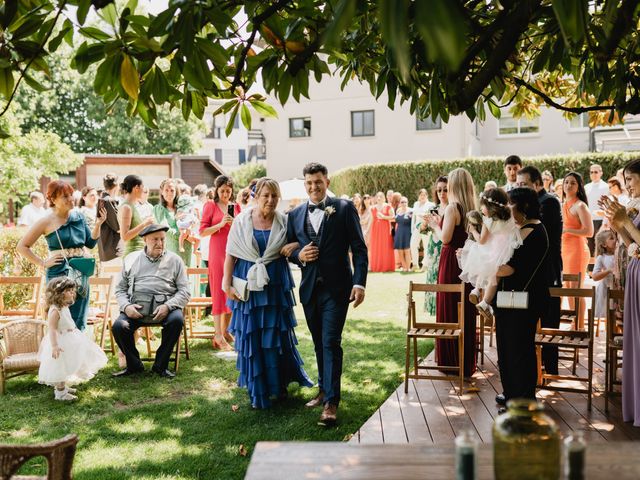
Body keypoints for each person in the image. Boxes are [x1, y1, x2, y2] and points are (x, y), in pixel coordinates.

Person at [286, 162, 368, 425]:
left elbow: (359, 248)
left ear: (327, 182)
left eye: (318, 182)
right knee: (319, 341)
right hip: (310, 289)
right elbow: (290, 248)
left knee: (331, 340)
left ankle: (332, 402)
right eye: (309, 183)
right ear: (305, 184)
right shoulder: (295, 214)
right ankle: (323, 390)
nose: (314, 187)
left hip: (337, 288)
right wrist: (299, 255)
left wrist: (360, 283)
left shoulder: (344, 208)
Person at [223, 178, 313, 408]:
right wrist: (226, 283)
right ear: (256, 197)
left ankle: (278, 385)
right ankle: (258, 391)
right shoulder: (242, 221)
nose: (271, 200)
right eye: (266, 196)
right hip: (248, 286)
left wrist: (293, 246)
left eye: (274, 196)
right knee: (252, 338)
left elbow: (300, 241)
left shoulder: (284, 221)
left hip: (275, 285)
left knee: (275, 338)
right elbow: (231, 254)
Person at [17, 181, 106, 330]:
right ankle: (58, 351)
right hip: (58, 274)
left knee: (79, 320)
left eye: (71, 195)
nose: (71, 199)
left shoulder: (79, 216)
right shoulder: (46, 221)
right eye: (65, 196)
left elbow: (90, 243)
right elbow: (22, 247)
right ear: (52, 200)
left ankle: (77, 352)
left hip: (80, 273)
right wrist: (43, 262)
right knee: (59, 319)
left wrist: (98, 224)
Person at [111, 224, 191, 378]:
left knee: (176, 320)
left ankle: (160, 366)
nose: (159, 243)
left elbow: (185, 291)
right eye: (155, 239)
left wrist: (168, 306)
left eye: (162, 239)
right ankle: (134, 365)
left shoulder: (175, 260)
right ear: (145, 240)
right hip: (136, 309)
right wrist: (126, 307)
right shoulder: (131, 259)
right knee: (119, 326)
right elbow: (120, 289)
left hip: (165, 308)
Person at [494, 188, 550, 405]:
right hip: (509, 300)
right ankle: (510, 393)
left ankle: (523, 398)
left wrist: (482, 264)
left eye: (510, 203)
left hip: (525, 301)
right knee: (506, 349)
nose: (507, 208)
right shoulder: (519, 229)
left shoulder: (535, 230)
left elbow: (509, 268)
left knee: (520, 350)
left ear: (524, 206)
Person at [427, 168, 477, 378]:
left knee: (448, 304)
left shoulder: (452, 208)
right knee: (465, 308)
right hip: (467, 261)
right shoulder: (472, 207)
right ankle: (465, 361)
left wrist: (433, 226)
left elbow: (445, 239)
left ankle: (450, 361)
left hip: (450, 262)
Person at [601, 159, 640, 426]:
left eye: (631, 180)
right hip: (636, 271)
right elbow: (632, 244)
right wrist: (619, 226)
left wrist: (627, 220)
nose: (627, 185)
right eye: (625, 180)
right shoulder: (635, 206)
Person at [516, 165, 563, 376]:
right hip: (531, 273)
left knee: (549, 321)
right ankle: (534, 370)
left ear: (537, 184)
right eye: (517, 185)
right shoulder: (523, 207)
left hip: (548, 270)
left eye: (523, 184)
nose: (520, 189)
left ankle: (550, 369)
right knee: (527, 327)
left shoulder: (549, 202)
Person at [38, 277, 108, 401]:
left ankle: (63, 387)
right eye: (70, 290)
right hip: (60, 342)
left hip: (70, 338)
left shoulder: (64, 307)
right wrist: (54, 346)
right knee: (60, 366)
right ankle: (60, 393)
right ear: (59, 293)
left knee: (68, 364)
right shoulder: (55, 310)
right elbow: (52, 329)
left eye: (73, 290)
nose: (73, 293)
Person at [458, 187, 522, 320]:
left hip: (491, 250)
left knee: (481, 261)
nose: (481, 209)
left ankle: (476, 290)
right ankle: (485, 302)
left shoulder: (488, 221)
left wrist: (473, 231)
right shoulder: (510, 215)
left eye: (482, 206)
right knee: (494, 277)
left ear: (489, 206)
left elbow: (482, 241)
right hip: (506, 252)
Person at [200, 175, 241, 351]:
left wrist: (233, 224)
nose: (225, 193)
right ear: (216, 190)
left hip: (234, 252)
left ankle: (225, 331)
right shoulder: (210, 206)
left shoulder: (235, 207)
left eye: (228, 190)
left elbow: (241, 230)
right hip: (217, 253)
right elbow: (202, 231)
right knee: (218, 290)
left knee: (233, 289)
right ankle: (217, 335)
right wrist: (220, 224)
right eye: (222, 190)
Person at [562, 172, 593, 329]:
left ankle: (579, 326)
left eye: (572, 183)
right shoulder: (563, 204)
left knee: (576, 289)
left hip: (577, 250)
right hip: (564, 249)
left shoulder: (581, 205)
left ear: (579, 186)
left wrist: (567, 230)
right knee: (567, 287)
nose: (568, 185)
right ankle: (575, 323)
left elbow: (589, 232)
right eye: (566, 182)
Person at [419, 176, 448, 315]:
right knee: (433, 279)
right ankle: (436, 312)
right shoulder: (433, 209)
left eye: (445, 190)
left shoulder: (452, 209)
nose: (442, 193)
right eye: (439, 190)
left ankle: (444, 310)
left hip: (445, 248)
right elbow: (422, 230)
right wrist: (425, 223)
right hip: (433, 248)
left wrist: (439, 221)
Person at [154, 178, 192, 266]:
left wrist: (190, 235)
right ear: (162, 192)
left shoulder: (182, 207)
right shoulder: (159, 208)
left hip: (187, 247)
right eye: (166, 190)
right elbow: (165, 228)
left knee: (187, 277)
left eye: (172, 190)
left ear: (176, 192)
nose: (169, 193)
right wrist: (183, 235)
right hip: (171, 250)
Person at [118, 175, 154, 259]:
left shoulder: (131, 206)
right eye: (142, 187)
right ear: (136, 188)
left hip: (139, 253)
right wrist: (144, 224)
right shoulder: (127, 207)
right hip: (133, 254)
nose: (143, 190)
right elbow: (125, 236)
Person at [592, 229, 616, 331]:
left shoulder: (620, 253)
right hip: (608, 288)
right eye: (611, 238)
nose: (615, 240)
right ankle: (610, 336)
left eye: (615, 237)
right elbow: (595, 276)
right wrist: (609, 270)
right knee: (610, 313)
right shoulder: (601, 258)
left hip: (620, 287)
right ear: (604, 245)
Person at [98, 173, 124, 262]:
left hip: (106, 248)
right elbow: (118, 226)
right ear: (116, 185)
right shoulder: (108, 201)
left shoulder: (103, 199)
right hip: (113, 249)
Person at [585, 164, 610, 255]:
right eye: (591, 172)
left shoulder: (606, 187)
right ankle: (591, 269)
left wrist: (606, 220)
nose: (593, 174)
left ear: (601, 173)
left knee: (601, 245)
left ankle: (601, 268)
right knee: (589, 246)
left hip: (601, 220)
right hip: (589, 220)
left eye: (596, 172)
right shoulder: (586, 187)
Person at [369, 191, 395, 272]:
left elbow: (393, 217)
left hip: (385, 229)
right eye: (377, 196)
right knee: (376, 247)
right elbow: (371, 220)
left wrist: (384, 216)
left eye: (381, 196)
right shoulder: (372, 208)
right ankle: (375, 266)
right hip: (375, 229)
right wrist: (368, 231)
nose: (379, 198)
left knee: (385, 246)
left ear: (384, 198)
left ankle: (386, 266)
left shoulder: (388, 206)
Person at [410, 189, 434, 271]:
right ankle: (415, 264)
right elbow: (414, 216)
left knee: (426, 245)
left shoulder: (431, 205)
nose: (422, 196)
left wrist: (421, 214)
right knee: (413, 244)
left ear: (427, 196)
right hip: (416, 227)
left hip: (426, 227)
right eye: (421, 195)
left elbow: (429, 215)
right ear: (419, 196)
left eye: (424, 195)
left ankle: (425, 265)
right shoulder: (416, 204)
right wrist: (412, 228)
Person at [393, 197, 413, 271]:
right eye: (402, 202)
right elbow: (394, 219)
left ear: (407, 202)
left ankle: (408, 268)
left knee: (407, 251)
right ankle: (404, 268)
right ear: (400, 203)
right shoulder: (398, 211)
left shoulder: (411, 211)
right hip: (399, 232)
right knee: (400, 251)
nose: (404, 203)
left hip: (407, 232)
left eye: (405, 202)